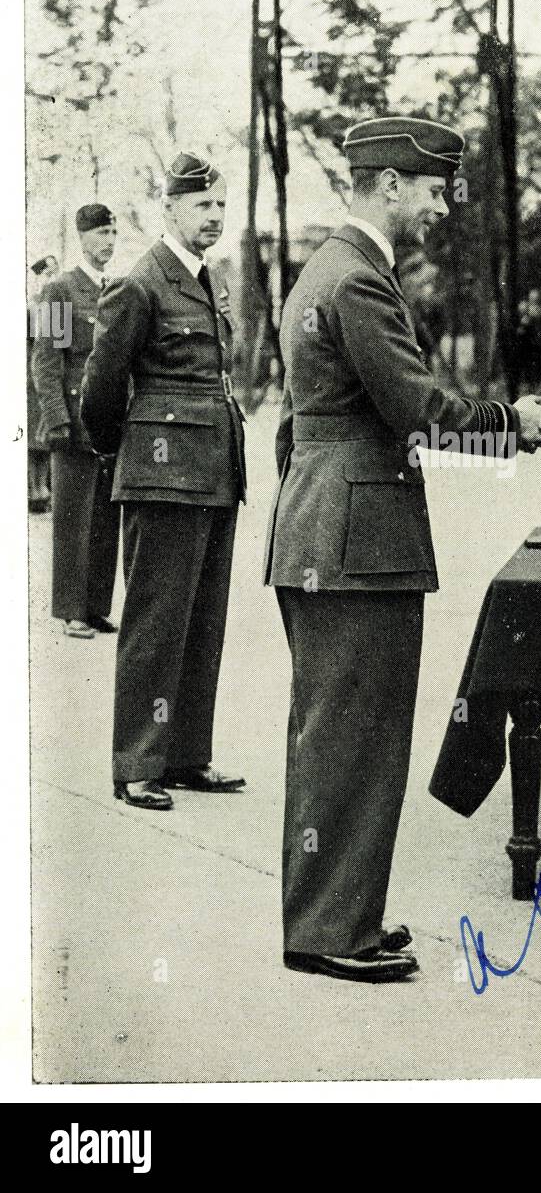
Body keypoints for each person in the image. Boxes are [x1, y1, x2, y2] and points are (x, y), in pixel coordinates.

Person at [264, 114, 541, 984]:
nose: (439, 208)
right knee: (351, 733)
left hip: (330, 532)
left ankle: (338, 914)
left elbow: (301, 428)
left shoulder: (330, 268)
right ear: (388, 184)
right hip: (358, 543)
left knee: (339, 731)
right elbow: (420, 411)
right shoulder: (357, 280)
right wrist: (516, 423)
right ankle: (327, 931)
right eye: (432, 190)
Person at [81, 154, 246, 810]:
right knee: (154, 625)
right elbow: (100, 385)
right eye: (203, 205)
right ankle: (135, 764)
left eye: (221, 206)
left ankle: (184, 756)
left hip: (213, 472)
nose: (215, 217)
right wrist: (119, 454)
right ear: (171, 209)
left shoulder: (207, 279)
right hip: (161, 474)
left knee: (202, 623)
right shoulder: (142, 282)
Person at [31, 212, 121, 636]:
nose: (110, 240)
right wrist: (56, 419)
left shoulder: (114, 289)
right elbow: (47, 362)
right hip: (72, 423)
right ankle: (70, 610)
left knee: (104, 518)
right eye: (102, 233)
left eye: (114, 232)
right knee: (73, 520)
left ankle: (94, 606)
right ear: (83, 238)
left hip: (106, 424)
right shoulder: (61, 289)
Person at [27, 255, 59, 513]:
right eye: (47, 274)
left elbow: (59, 346)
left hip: (46, 381)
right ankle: (34, 489)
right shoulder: (30, 308)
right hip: (29, 379)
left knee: (44, 437)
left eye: (54, 273)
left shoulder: (56, 305)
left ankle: (42, 490)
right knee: (32, 438)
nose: (51, 278)